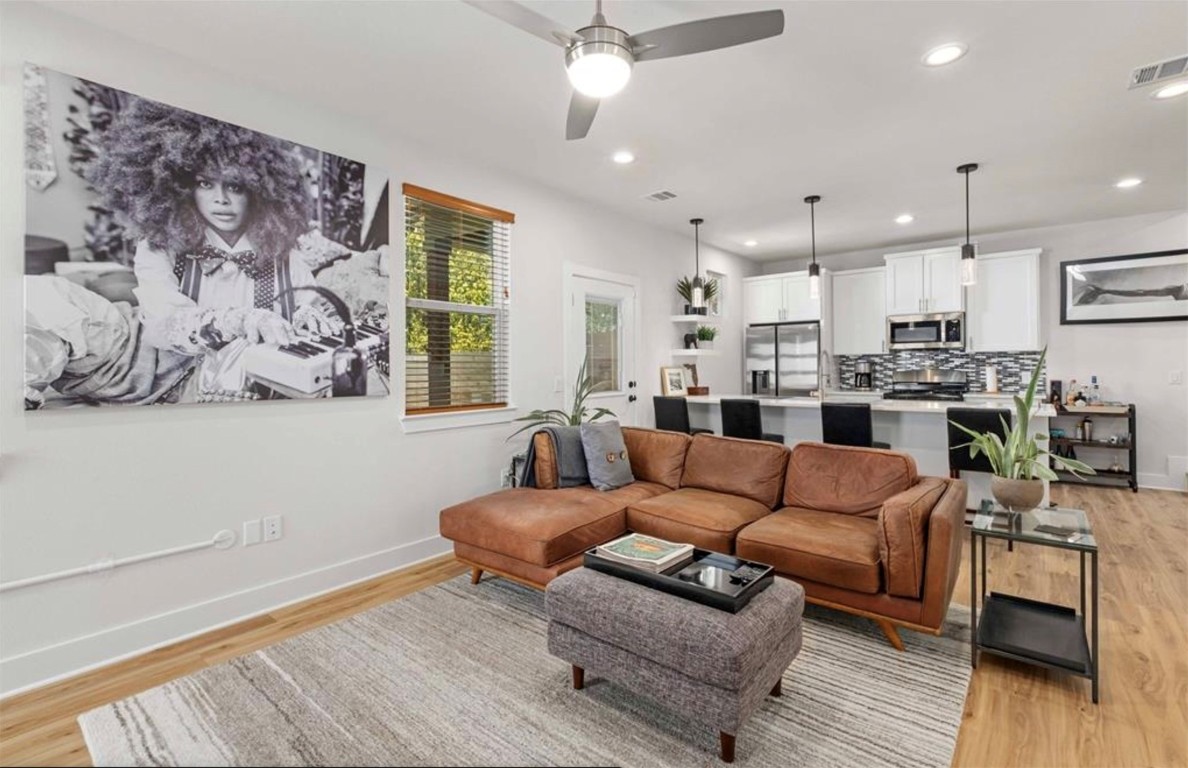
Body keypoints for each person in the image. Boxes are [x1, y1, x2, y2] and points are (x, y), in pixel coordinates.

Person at [87, 98, 345, 401]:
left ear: (258, 190)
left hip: (254, 380)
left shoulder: (282, 250)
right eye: (206, 184)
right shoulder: (159, 247)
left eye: (234, 186)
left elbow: (308, 300)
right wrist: (234, 321)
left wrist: (307, 315)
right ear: (182, 187)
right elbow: (161, 323)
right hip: (169, 377)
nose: (221, 199)